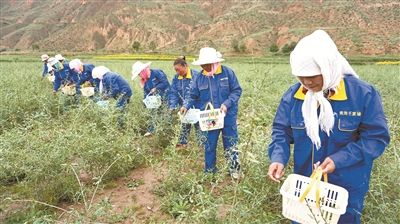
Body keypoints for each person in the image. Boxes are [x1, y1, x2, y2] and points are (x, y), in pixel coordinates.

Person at [267, 30, 390, 223]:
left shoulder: (362, 95)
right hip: (305, 186)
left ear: (328, 67)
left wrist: (339, 160)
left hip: (346, 186)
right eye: (301, 76)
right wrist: (278, 158)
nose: (307, 82)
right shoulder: (294, 96)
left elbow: (376, 138)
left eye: (314, 76)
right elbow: (281, 131)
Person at [180, 47, 242, 179]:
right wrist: (186, 106)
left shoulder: (227, 73)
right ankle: (210, 171)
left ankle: (234, 169)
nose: (204, 67)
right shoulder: (199, 78)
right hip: (210, 117)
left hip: (228, 116)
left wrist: (226, 104)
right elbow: (192, 95)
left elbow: (236, 91)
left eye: (206, 65)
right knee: (209, 144)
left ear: (214, 62)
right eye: (202, 65)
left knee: (231, 143)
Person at [169, 56, 201, 148]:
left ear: (185, 66)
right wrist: (173, 105)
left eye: (179, 70)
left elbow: (194, 94)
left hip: (197, 105)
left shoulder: (196, 76)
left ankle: (201, 145)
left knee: (198, 125)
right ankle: (183, 143)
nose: (178, 72)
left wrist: (187, 104)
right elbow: (174, 92)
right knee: (184, 124)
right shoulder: (176, 78)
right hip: (184, 106)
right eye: (176, 70)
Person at [131, 61, 170, 137]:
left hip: (165, 96)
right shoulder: (145, 81)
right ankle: (151, 131)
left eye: (139, 73)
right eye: (139, 74)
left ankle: (165, 132)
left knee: (165, 113)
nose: (140, 75)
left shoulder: (156, 72)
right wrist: (145, 101)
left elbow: (165, 83)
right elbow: (146, 93)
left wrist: (156, 88)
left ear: (143, 71)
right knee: (152, 114)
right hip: (155, 100)